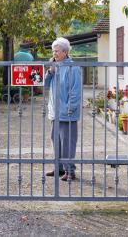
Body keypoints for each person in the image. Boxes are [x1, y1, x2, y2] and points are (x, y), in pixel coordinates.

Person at [44, 37, 81, 181]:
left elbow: (76, 91)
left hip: (67, 113)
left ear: (65, 52)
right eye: (53, 51)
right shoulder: (54, 67)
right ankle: (59, 168)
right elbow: (45, 85)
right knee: (56, 141)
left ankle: (70, 171)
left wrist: (69, 108)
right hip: (55, 113)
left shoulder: (73, 67)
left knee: (67, 143)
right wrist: (50, 71)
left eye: (57, 51)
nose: (54, 54)